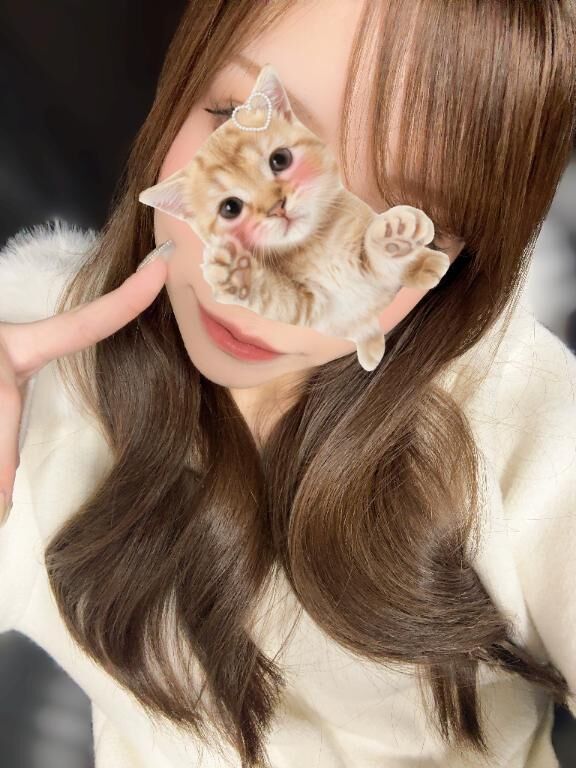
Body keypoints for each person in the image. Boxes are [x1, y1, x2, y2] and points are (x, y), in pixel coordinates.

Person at [1, 1, 575, 766]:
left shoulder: (519, 423)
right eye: (241, 122)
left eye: (396, 211)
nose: (259, 276)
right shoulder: (39, 371)